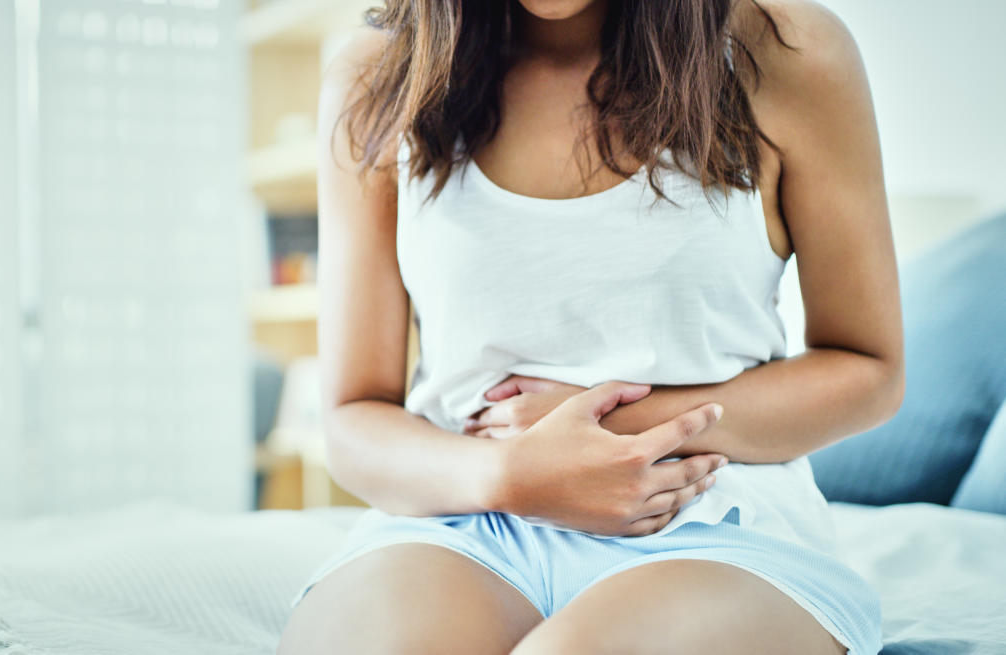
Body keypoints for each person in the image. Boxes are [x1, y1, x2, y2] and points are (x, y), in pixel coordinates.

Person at [279, 0, 903, 652]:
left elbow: (870, 370)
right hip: (463, 517)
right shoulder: (379, 75)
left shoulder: (785, 50)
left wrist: (611, 425)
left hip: (714, 518)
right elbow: (353, 416)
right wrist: (510, 474)